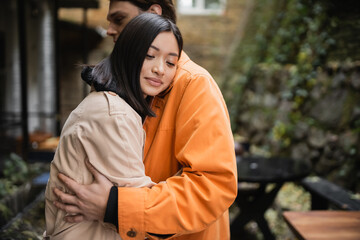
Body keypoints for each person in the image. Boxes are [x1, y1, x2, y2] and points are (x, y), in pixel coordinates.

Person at [53, 0, 238, 239]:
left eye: (119, 19)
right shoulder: (114, 91)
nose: (109, 29)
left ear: (153, 14)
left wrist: (115, 207)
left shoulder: (194, 85)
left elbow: (212, 187)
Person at [44, 13, 183, 240]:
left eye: (170, 62)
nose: (160, 69)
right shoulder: (114, 115)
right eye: (150, 55)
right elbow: (156, 220)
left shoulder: (107, 104)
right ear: (127, 53)